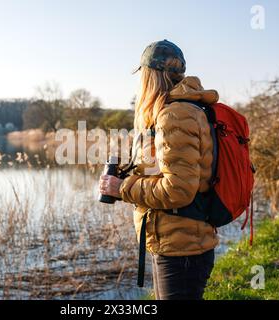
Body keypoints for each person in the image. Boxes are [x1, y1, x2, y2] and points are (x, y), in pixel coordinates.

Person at [99, 39, 219, 300]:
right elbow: (176, 171)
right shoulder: (183, 109)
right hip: (176, 241)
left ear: (149, 75)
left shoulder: (174, 115)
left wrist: (122, 188)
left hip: (182, 249)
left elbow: (178, 190)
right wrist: (131, 172)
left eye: (141, 74)